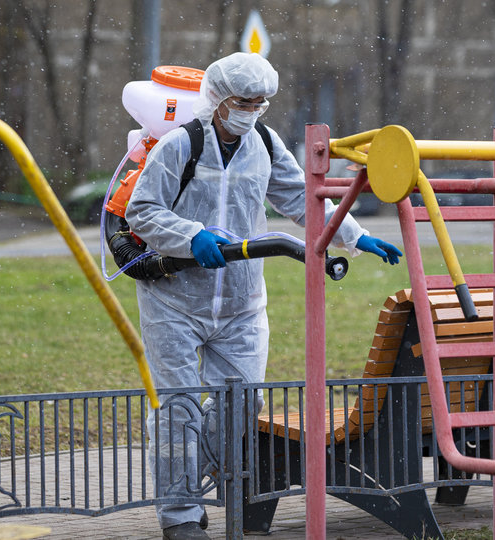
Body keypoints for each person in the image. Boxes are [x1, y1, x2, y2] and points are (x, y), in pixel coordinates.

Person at [124, 52, 402, 540]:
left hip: (242, 304)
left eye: (260, 102)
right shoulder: (179, 146)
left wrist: (354, 236)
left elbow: (301, 198)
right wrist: (191, 236)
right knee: (179, 408)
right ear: (218, 99)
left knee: (240, 405)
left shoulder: (266, 145)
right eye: (243, 101)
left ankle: (185, 472)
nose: (251, 110)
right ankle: (181, 516)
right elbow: (142, 212)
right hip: (174, 300)